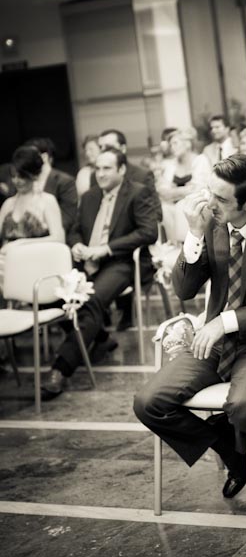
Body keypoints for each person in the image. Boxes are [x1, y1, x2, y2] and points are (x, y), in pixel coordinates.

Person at [133, 154, 246, 499]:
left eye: (221, 199)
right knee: (148, 402)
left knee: (243, 408)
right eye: (209, 192)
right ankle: (228, 447)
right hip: (211, 342)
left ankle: (234, 432)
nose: (209, 203)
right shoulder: (210, 222)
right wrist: (194, 236)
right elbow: (184, 290)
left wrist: (226, 322)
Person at [41, 148, 158, 399]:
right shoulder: (90, 196)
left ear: (122, 169)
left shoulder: (138, 192)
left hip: (122, 262)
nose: (100, 174)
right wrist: (77, 244)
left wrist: (106, 249)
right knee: (52, 297)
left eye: (107, 168)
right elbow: (73, 229)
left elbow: (149, 232)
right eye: (97, 168)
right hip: (87, 262)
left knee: (91, 300)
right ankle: (101, 337)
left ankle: (60, 369)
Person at [0, 146, 65, 287]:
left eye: (22, 176)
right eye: (14, 176)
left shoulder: (47, 201)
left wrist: (20, 244)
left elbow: (59, 239)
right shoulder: (8, 204)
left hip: (37, 266)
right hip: (8, 267)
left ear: (34, 175)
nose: (17, 181)